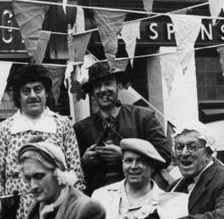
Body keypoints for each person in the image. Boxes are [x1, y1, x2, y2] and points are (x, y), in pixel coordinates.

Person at [0, 63, 84, 219]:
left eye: (38, 89)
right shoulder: (4, 129)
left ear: (47, 92)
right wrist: (7, 216)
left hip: (57, 215)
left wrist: (70, 212)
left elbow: (76, 174)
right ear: (18, 96)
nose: (33, 95)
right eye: (26, 91)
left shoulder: (63, 125)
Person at [73, 61, 173, 195]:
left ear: (119, 86)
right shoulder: (81, 128)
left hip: (141, 195)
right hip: (99, 200)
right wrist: (84, 161)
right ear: (92, 93)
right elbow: (72, 171)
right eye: (97, 86)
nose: (103, 90)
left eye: (108, 83)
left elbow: (164, 156)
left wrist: (125, 155)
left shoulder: (143, 117)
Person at [91, 138, 171, 219]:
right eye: (128, 161)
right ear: (122, 164)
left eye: (140, 161)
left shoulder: (165, 202)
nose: (133, 166)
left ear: (152, 167)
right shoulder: (100, 196)